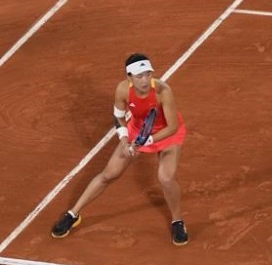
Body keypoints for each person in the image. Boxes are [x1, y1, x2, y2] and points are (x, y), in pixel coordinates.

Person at [51, 54, 189, 245]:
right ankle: (73, 214)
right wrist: (124, 140)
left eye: (148, 75)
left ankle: (177, 221)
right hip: (138, 131)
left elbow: (172, 127)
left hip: (167, 134)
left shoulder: (163, 92)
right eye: (139, 76)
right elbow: (119, 117)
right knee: (109, 174)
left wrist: (144, 141)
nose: (145, 80)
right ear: (129, 78)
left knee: (165, 177)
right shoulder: (123, 90)